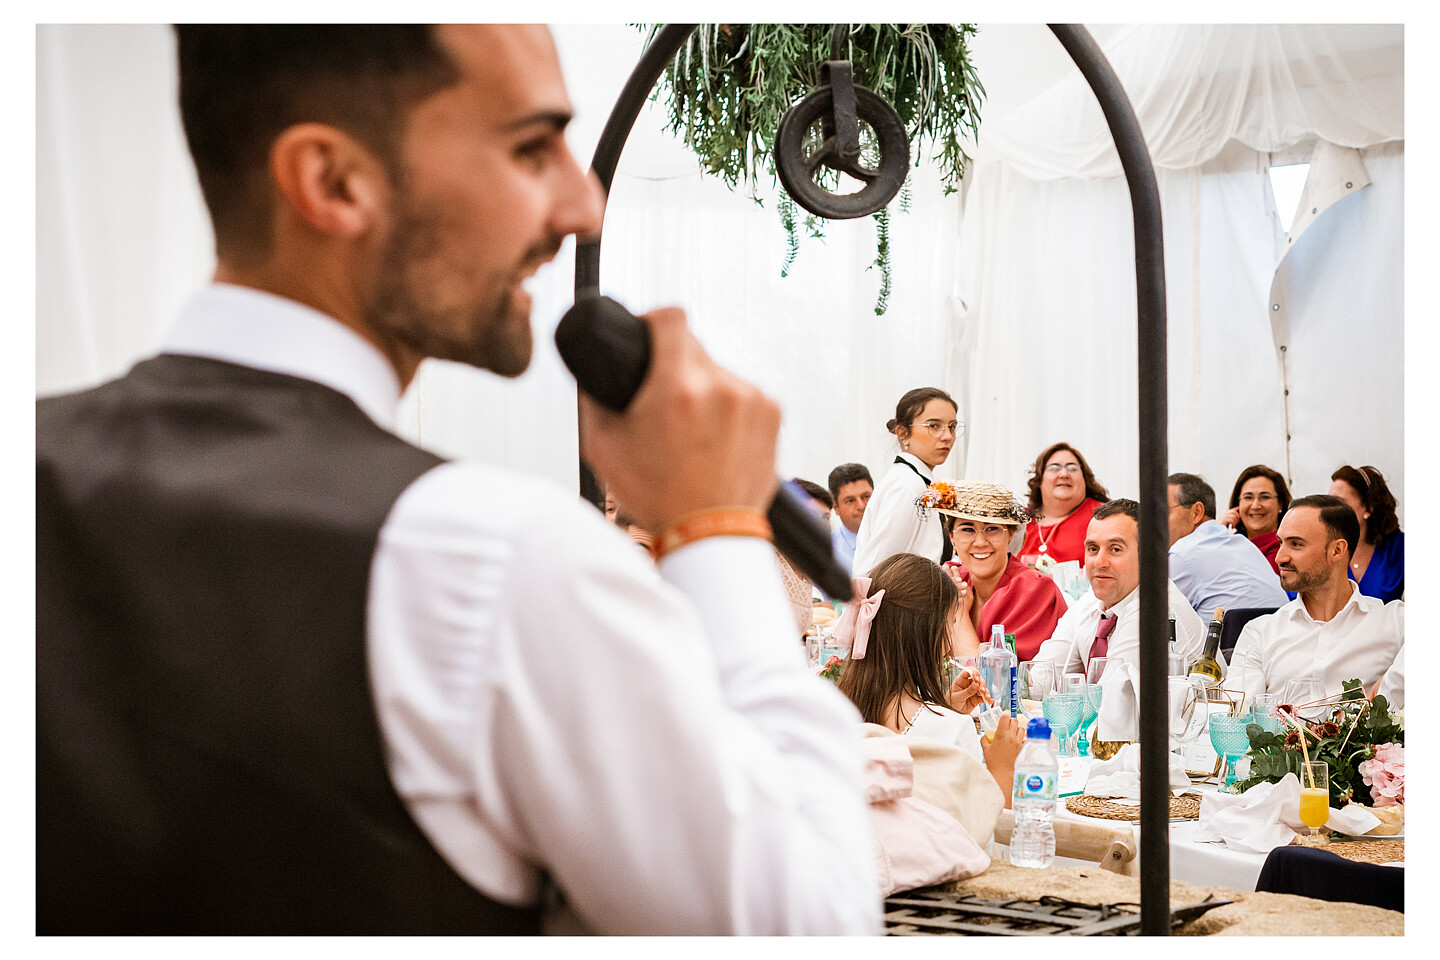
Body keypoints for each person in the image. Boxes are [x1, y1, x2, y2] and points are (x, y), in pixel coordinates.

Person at [37, 25, 879, 935]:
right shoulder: (495, 557)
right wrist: (715, 531)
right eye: (530, 148)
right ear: (333, 181)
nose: (582, 207)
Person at [835, 554, 1026, 806]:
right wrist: (1003, 768)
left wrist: (941, 707)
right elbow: (976, 836)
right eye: (951, 625)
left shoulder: (835, 714)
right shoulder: (955, 730)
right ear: (931, 637)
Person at [1229, 496, 1404, 704]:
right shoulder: (1259, 632)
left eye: (1295, 544)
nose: (1280, 557)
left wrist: (1393, 681)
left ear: (1337, 550)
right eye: (1280, 543)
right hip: (1280, 735)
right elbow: (1238, 717)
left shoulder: (1394, 621)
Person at [1033, 499, 1205, 674]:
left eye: (1115, 549)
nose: (1099, 562)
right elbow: (1037, 679)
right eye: (1093, 548)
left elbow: (1112, 695)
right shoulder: (1090, 603)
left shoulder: (1155, 607)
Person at [940, 481, 1067, 661]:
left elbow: (994, 681)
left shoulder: (1035, 590)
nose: (980, 542)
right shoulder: (952, 580)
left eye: (992, 529)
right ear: (952, 538)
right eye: (968, 529)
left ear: (1010, 534)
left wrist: (958, 613)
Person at [851, 387, 960, 575]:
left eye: (952, 426)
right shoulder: (907, 485)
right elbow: (876, 569)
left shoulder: (919, 481)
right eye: (934, 426)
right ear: (903, 433)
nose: (947, 436)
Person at [1166, 472, 1288, 621]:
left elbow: (1148, 620)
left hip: (1230, 643)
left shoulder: (1183, 554)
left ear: (1196, 513)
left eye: (1163, 511)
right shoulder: (1245, 545)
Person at [1016, 442, 1110, 570]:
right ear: (1039, 479)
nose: (1064, 474)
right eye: (1054, 468)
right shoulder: (1018, 520)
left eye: (1072, 468)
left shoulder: (1104, 517)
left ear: (1085, 479)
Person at [1330, 464, 1404, 603]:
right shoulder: (1324, 549)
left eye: (1339, 502)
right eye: (1329, 501)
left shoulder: (1400, 548)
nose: (1329, 509)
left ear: (1368, 508)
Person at [1220, 464, 1292, 575]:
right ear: (1237, 504)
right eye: (1248, 497)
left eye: (1265, 497)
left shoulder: (1285, 550)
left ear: (1280, 504)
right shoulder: (1229, 543)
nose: (1255, 506)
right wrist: (1217, 532)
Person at [827, 462, 874, 574]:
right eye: (850, 500)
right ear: (836, 508)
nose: (861, 506)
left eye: (866, 497)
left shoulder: (893, 534)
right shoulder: (828, 553)